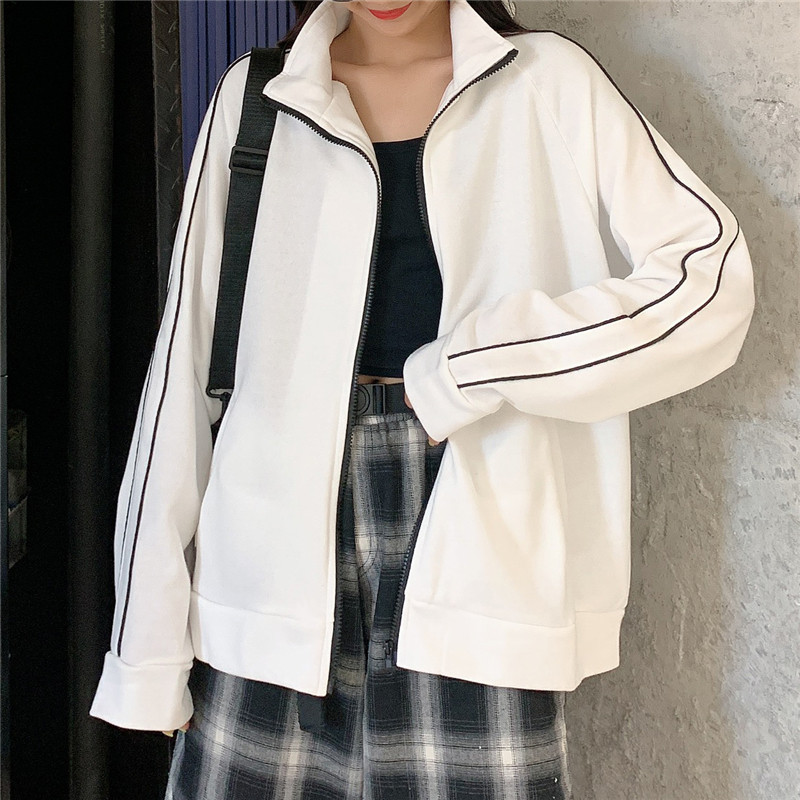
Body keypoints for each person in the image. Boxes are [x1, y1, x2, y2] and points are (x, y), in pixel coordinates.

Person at [88, 1, 755, 798]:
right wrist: (146, 650)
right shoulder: (259, 96)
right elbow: (183, 370)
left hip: (478, 554)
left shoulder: (546, 80)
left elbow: (709, 281)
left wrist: (472, 367)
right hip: (266, 576)